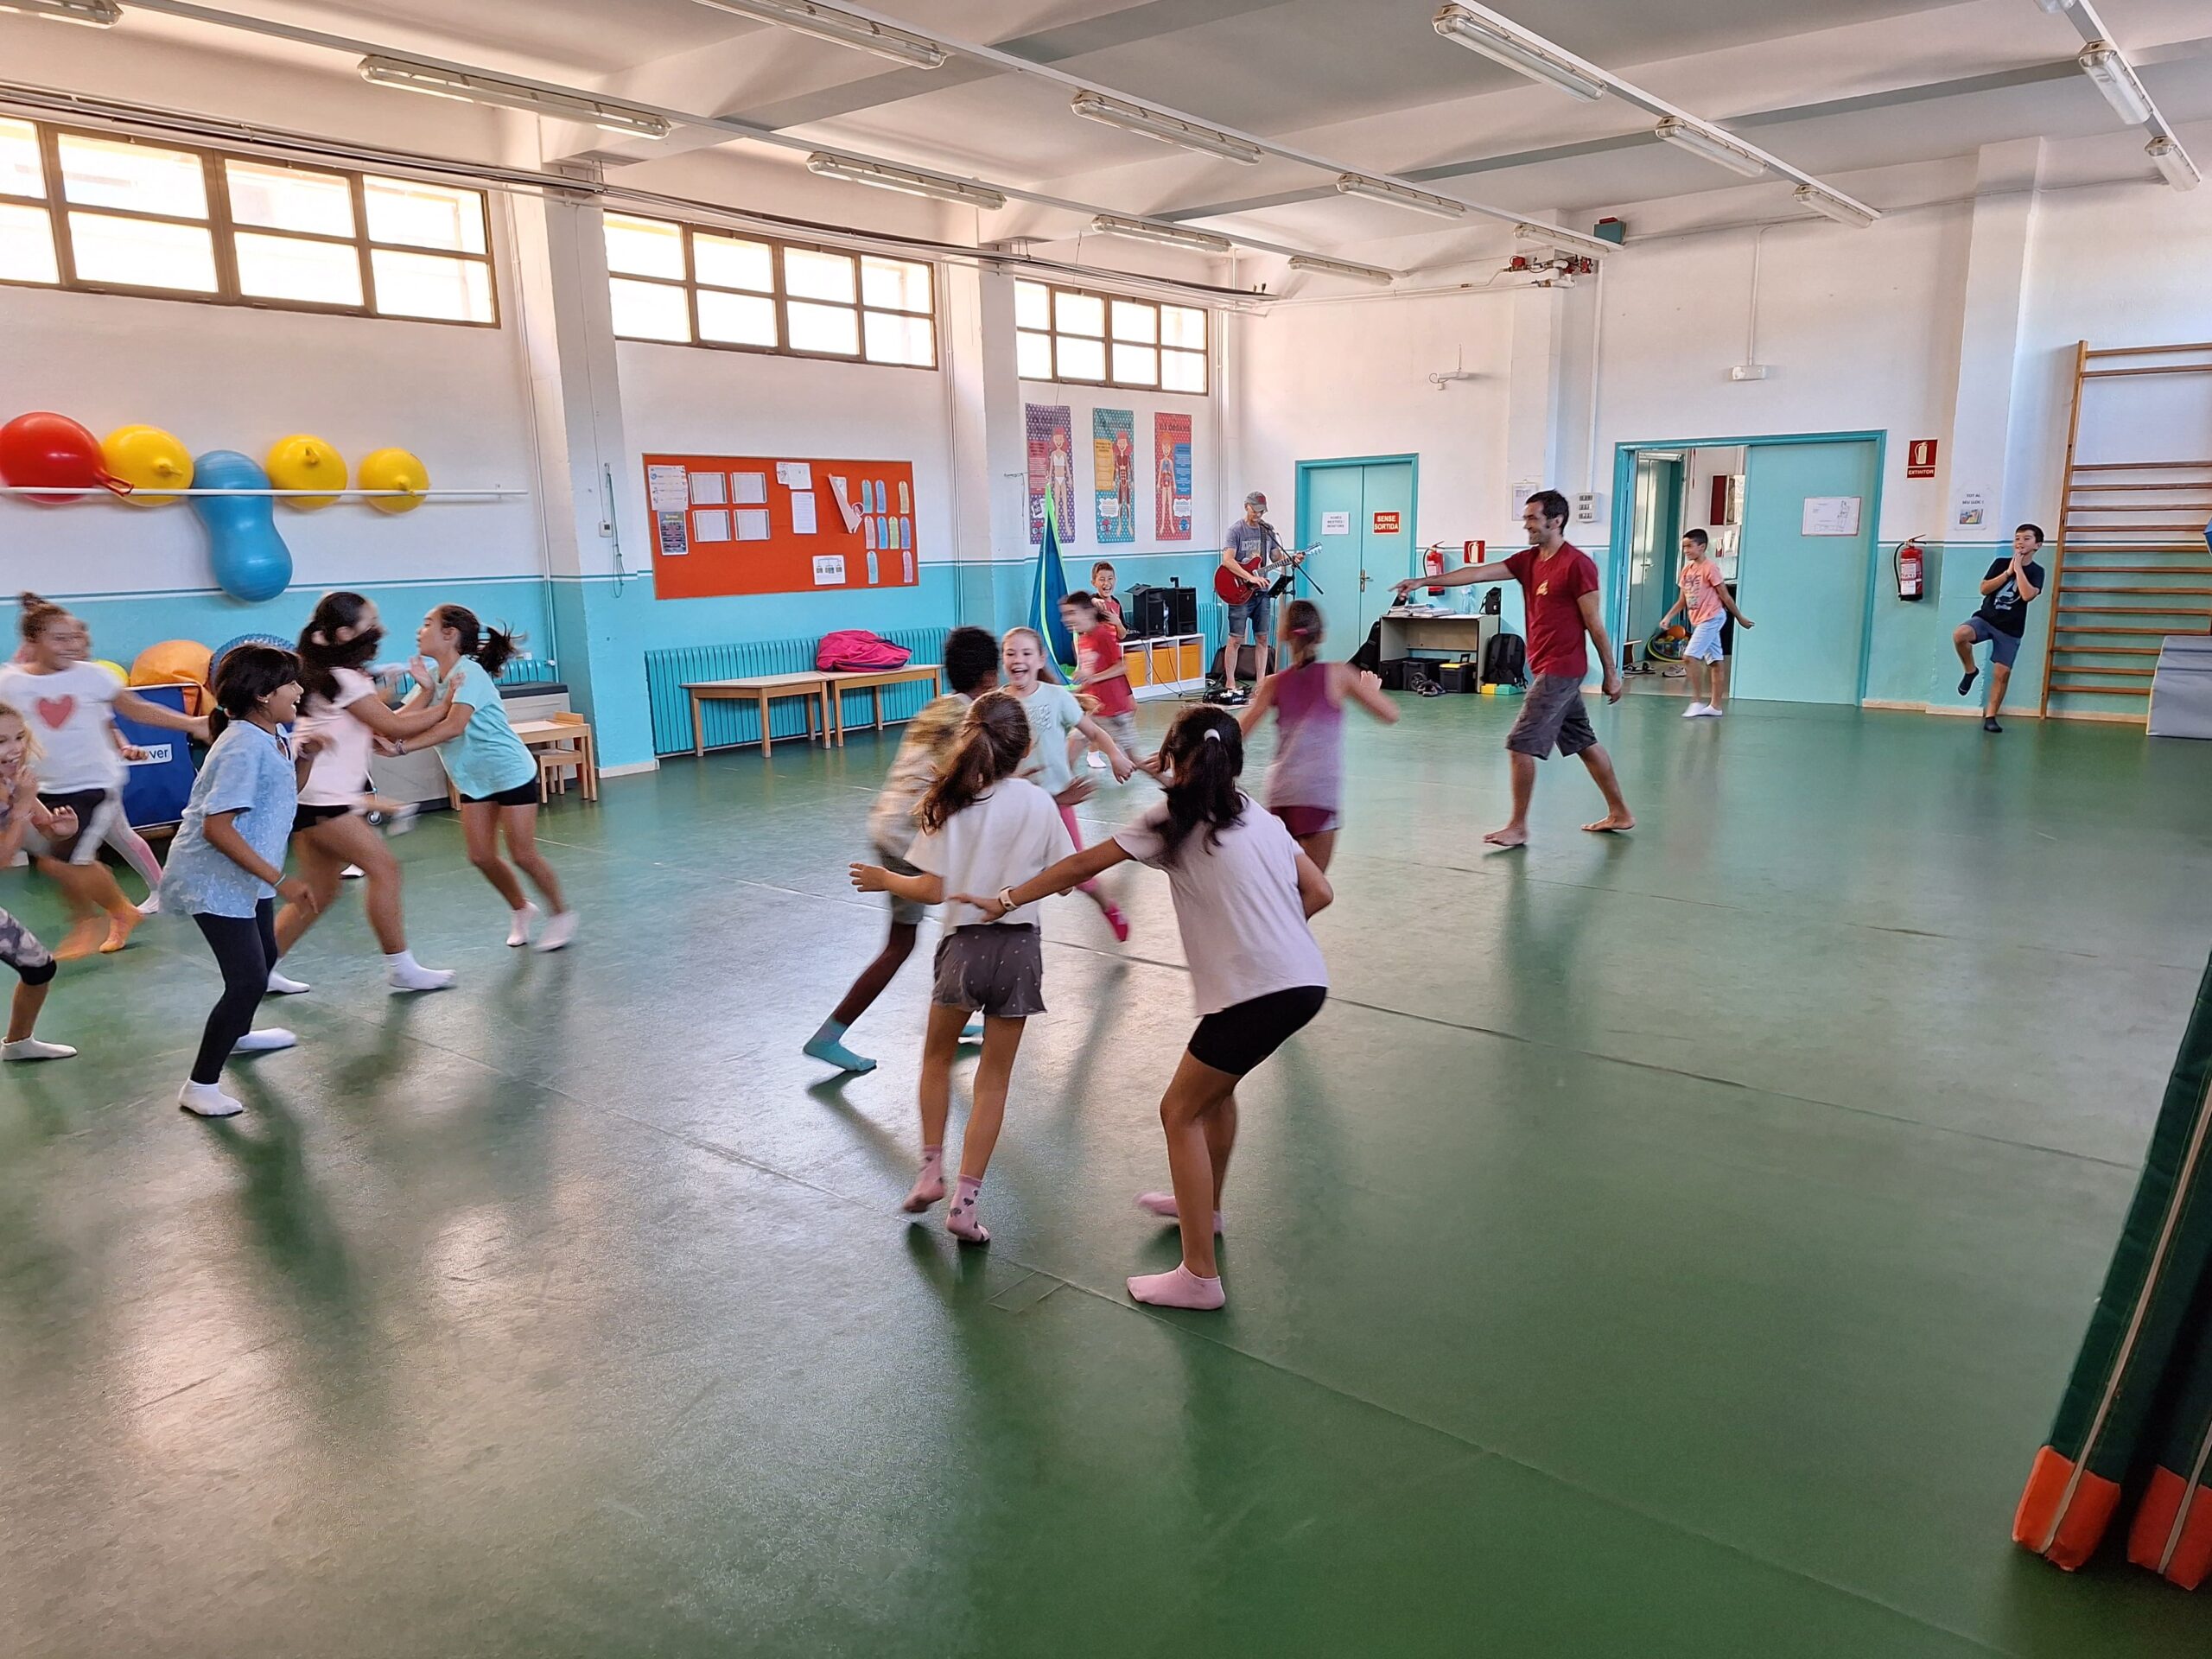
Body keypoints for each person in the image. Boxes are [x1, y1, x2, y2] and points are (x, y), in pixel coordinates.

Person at [963, 705, 1333, 1311]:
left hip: (1256, 993)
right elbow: (1320, 890)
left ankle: (1199, 1277)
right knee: (1216, 1096)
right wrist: (1274, 940)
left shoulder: (1171, 820)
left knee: (1178, 1112)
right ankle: (1205, 1210)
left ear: (1177, 760)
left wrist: (1005, 899)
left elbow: (1082, 864)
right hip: (1304, 982)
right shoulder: (1257, 815)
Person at [849, 691, 1071, 1245]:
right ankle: (965, 1206)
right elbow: (1066, 878)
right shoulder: (1039, 804)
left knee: (936, 1059)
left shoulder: (950, 802)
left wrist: (885, 880)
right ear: (1025, 749)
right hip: (1019, 951)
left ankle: (930, 1171)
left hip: (963, 949)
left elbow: (932, 888)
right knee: (993, 1080)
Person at [805, 625, 1000, 1076]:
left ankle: (832, 1034)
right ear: (990, 677)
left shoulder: (938, 706)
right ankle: (943, 1020)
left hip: (886, 825)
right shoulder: (973, 721)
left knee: (906, 939)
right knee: (963, 923)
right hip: (914, 837)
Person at [1395, 489, 1633, 846]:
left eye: (1533, 519)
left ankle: (1518, 826)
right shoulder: (1528, 561)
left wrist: (1612, 673)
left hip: (1562, 667)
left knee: (1520, 744)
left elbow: (1594, 623)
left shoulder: (1578, 565)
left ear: (1556, 521)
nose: (1527, 526)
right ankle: (1620, 812)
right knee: (1584, 742)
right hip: (1546, 665)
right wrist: (1425, 581)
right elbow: (1477, 573)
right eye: (1526, 519)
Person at [161, 646, 323, 1118]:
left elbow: (283, 794)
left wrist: (306, 760)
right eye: (291, 683)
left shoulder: (272, 735)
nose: (299, 691)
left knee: (266, 957)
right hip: (213, 877)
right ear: (263, 694)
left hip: (248, 874)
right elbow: (217, 827)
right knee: (248, 978)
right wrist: (282, 879)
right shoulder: (241, 746)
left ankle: (238, 1033)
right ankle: (200, 1085)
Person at [0, 593, 207, 958]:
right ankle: (118, 912)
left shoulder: (93, 677)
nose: (71, 645)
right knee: (54, 860)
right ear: (32, 642)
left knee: (69, 858)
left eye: (74, 637)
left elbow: (138, 709)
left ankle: (93, 919)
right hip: (43, 786)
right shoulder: (12, 683)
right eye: (59, 639)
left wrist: (192, 724)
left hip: (94, 784)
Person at [274, 593, 460, 994]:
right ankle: (401, 967)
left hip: (310, 799)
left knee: (320, 891)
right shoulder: (341, 679)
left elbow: (384, 722)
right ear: (345, 633)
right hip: (325, 801)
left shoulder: (331, 676)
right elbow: (394, 728)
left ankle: (261, 967)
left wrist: (426, 692)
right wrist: (450, 703)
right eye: (372, 623)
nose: (382, 630)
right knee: (385, 870)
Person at [392, 605, 576, 950]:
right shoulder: (433, 676)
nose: (419, 630)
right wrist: (422, 693)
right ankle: (521, 908)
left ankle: (561, 914)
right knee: (480, 856)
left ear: (450, 634)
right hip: (473, 778)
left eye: (427, 623)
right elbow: (400, 721)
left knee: (523, 854)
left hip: (508, 771)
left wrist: (402, 748)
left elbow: (453, 725)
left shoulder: (469, 673)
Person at [1235, 599, 1398, 870]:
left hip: (1281, 791)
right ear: (1321, 635)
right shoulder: (1339, 674)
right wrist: (1371, 690)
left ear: (1283, 635)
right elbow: (1390, 714)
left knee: (1284, 878)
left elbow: (1237, 732)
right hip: (1316, 792)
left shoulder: (1273, 684)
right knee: (1313, 885)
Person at [1000, 628, 1134, 942]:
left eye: (1026, 653)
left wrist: (1115, 755)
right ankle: (1017, 933)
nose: (1018, 659)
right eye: (1011, 653)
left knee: (1077, 876)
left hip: (1059, 800)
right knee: (1013, 874)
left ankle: (1110, 908)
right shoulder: (1000, 704)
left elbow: (1094, 732)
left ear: (1040, 659)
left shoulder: (1056, 697)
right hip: (1018, 806)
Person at [0, 702, 78, 1061]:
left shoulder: (13, 779)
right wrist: (21, 807)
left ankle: (18, 1043)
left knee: (38, 967)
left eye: (19, 737)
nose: (14, 748)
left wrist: (63, 829)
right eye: (1, 741)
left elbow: (45, 828)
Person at [1955, 524, 2046, 734]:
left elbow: (2027, 595)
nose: (2020, 542)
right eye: (2017, 538)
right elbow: (1984, 588)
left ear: (2037, 545)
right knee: (1960, 634)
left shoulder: (2037, 571)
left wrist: (2019, 569)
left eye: (2026, 539)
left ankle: (1991, 716)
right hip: (1986, 619)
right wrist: (2007, 572)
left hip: (2010, 629)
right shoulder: (2000, 563)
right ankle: (1970, 670)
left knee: (2001, 673)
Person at [1656, 530, 1754, 717]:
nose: (1686, 550)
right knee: (1716, 662)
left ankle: (1696, 701)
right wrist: (1668, 616)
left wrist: (1739, 617)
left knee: (1689, 657)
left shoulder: (1710, 568)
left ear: (1702, 547)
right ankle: (1716, 707)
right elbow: (1682, 601)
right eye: (1684, 546)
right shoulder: (1686, 571)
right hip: (1699, 619)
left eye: (1690, 546)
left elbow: (1725, 596)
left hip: (1712, 617)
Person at [1217, 492, 1288, 704]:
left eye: (1262, 511)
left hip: (1261, 593)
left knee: (1262, 638)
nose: (1259, 514)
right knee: (1236, 639)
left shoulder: (1267, 531)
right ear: (1246, 506)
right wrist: (1249, 577)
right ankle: (1230, 682)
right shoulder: (1236, 531)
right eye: (1255, 510)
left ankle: (1260, 684)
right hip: (1239, 591)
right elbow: (1227, 561)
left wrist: (1291, 559)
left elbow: (1275, 557)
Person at [1063, 591, 1139, 776]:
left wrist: (1093, 678)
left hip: (1114, 711)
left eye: (1071, 613)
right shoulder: (1082, 640)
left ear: (1088, 612)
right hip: (1094, 709)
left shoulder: (1102, 635)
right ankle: (1062, 790)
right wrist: (1076, 693)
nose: (1066, 619)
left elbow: (1121, 667)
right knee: (1068, 757)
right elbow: (1090, 675)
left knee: (1135, 761)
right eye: (1065, 614)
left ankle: (1171, 782)